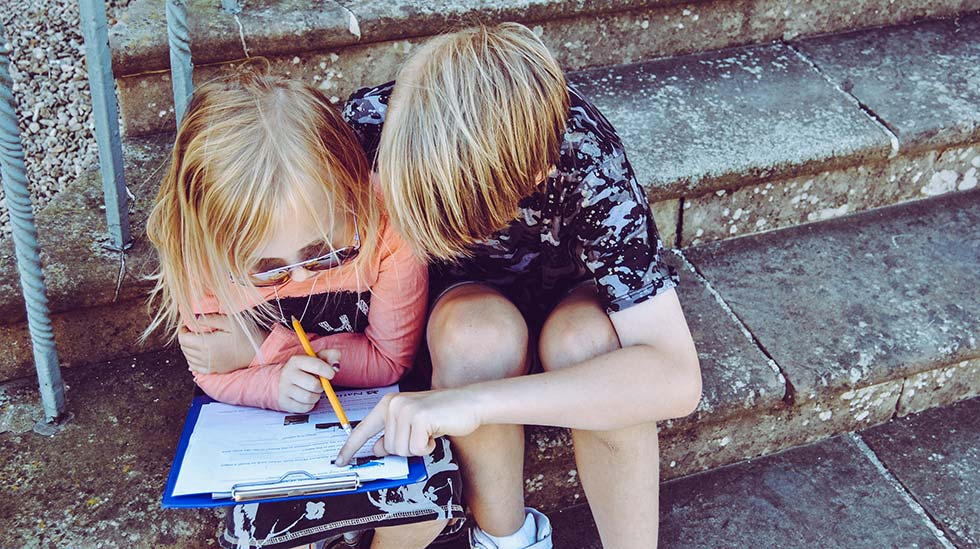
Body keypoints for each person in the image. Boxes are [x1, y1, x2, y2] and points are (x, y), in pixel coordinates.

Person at [336, 23, 702, 549]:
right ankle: (506, 539)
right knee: (475, 337)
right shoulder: (371, 126)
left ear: (534, 172)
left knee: (588, 344)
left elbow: (675, 377)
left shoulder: (582, 152)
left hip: (571, 299)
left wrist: (477, 403)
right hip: (459, 309)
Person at [143, 72, 463, 549]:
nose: (298, 278)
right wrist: (274, 383)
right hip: (273, 434)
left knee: (430, 494)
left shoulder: (388, 227)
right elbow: (213, 374)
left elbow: (390, 362)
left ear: (354, 194)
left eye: (325, 252)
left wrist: (265, 347)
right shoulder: (200, 260)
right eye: (266, 270)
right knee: (259, 527)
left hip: (370, 417)